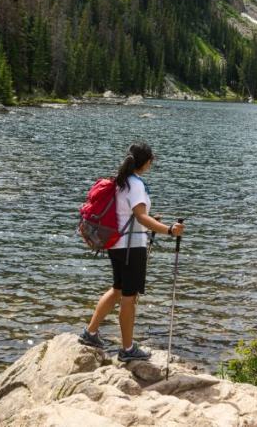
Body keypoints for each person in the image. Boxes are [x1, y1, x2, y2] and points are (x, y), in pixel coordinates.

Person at [78, 142, 185, 361]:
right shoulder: (136, 184)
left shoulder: (120, 182)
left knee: (117, 290)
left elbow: (127, 215)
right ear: (147, 162)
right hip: (131, 248)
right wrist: (170, 230)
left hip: (116, 245)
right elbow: (140, 216)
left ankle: (90, 333)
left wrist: (150, 221)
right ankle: (127, 350)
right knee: (129, 298)